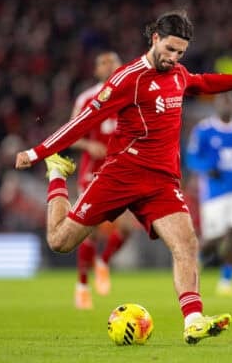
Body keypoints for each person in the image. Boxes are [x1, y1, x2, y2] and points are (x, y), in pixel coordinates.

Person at [15, 10, 232, 344]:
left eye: (180, 53)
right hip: (121, 175)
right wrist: (37, 153)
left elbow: (204, 81)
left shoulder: (179, 74)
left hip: (161, 183)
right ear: (155, 38)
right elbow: (83, 121)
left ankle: (193, 320)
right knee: (60, 242)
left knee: (186, 244)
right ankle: (56, 175)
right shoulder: (127, 79)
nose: (173, 58)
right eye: (169, 49)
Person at [69, 51, 137, 309]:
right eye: (103, 62)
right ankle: (82, 287)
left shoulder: (131, 94)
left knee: (128, 227)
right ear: (96, 70)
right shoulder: (86, 98)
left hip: (121, 170)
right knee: (90, 230)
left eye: (113, 62)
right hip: (92, 172)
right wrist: (88, 145)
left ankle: (103, 261)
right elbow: (71, 134)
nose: (109, 66)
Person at [185, 91, 232, 297]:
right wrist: (207, 168)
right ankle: (197, 259)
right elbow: (192, 157)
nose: (227, 106)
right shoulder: (204, 130)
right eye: (223, 103)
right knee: (215, 237)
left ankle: (226, 280)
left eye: (230, 103)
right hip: (214, 192)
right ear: (216, 105)